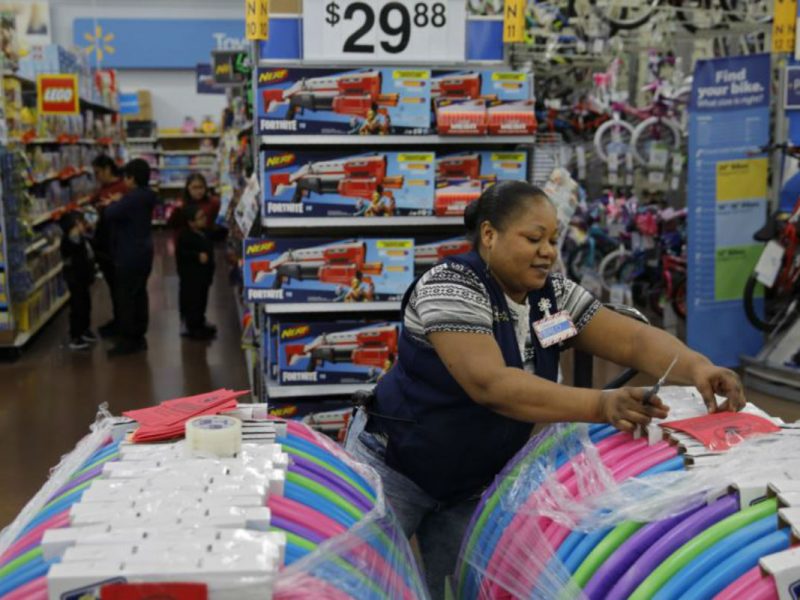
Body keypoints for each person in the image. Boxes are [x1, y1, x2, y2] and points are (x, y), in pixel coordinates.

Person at [343, 181, 746, 599]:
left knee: (466, 589)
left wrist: (698, 366)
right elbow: (491, 385)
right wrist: (601, 404)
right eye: (533, 238)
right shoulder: (450, 288)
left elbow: (632, 341)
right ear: (489, 235)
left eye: (553, 240)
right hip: (396, 465)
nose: (548, 251)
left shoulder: (553, 299)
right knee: (363, 584)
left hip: (471, 484)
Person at [103, 159, 157, 357]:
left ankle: (128, 340)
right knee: (139, 294)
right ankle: (138, 335)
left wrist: (114, 202)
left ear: (131, 178)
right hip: (144, 252)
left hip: (129, 254)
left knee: (125, 297)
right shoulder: (147, 196)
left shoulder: (132, 198)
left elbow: (110, 214)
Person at [90, 155, 127, 338]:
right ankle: (118, 319)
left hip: (117, 246)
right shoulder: (103, 189)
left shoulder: (122, 189)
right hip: (105, 246)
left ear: (107, 169)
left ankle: (124, 323)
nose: (96, 177)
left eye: (97, 172)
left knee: (120, 287)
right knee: (113, 287)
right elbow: (92, 203)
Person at [176, 204, 216, 340]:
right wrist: (196, 256)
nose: (204, 220)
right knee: (192, 302)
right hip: (192, 278)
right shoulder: (185, 237)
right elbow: (181, 254)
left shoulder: (205, 233)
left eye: (204, 217)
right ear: (191, 223)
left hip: (204, 277)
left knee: (202, 301)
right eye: (200, 218)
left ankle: (200, 322)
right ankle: (192, 327)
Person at [59, 211, 97, 351]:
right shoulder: (70, 241)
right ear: (73, 227)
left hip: (83, 278)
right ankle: (76, 335)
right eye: (80, 223)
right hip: (76, 278)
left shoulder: (80, 237)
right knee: (78, 306)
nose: (83, 225)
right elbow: (73, 255)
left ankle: (85, 329)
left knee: (85, 304)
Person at [167, 173, 221, 237]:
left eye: (201, 187)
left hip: (206, 240)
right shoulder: (181, 204)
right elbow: (172, 224)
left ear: (205, 187)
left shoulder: (214, 202)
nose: (198, 191)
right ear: (188, 188)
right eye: (194, 188)